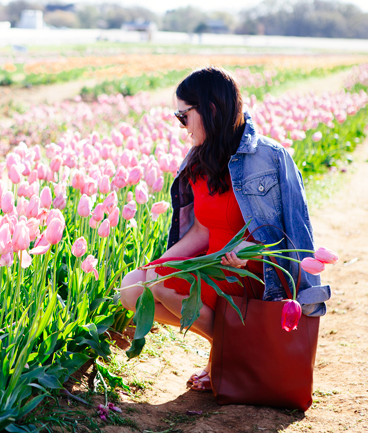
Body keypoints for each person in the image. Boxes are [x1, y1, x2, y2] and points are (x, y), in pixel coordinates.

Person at [119, 67, 330, 392]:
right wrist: (158, 265)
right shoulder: (199, 160)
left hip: (255, 272)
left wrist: (303, 292)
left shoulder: (270, 158)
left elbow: (295, 230)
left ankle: (229, 354)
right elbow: (201, 231)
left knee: (157, 287)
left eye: (183, 115)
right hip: (213, 265)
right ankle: (229, 350)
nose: (182, 126)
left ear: (211, 110)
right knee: (134, 286)